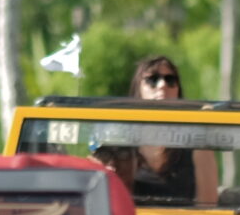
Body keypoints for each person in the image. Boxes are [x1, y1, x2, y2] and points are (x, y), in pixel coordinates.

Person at [91, 54, 220, 204]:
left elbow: (208, 204)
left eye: (170, 80)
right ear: (138, 89)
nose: (162, 85)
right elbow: (93, 189)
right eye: (152, 80)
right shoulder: (117, 138)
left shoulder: (197, 142)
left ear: (178, 90)